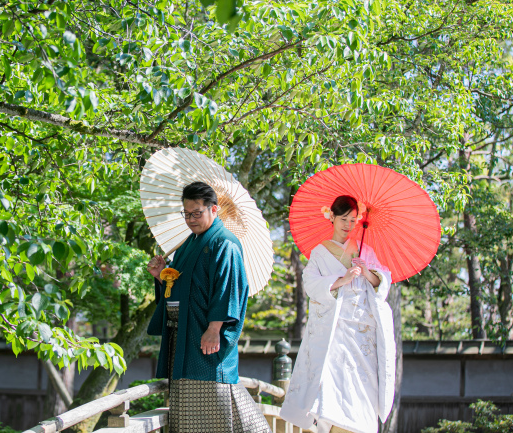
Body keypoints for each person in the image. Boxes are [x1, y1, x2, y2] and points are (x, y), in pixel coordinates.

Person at [146, 181, 270, 433]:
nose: (191, 219)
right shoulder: (188, 243)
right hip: (182, 336)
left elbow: (229, 288)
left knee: (216, 397)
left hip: (205, 335)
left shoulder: (225, 243)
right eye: (187, 213)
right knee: (186, 408)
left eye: (196, 213)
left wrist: (215, 328)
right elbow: (180, 288)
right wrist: (161, 277)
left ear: (214, 210)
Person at [280, 195, 396, 433]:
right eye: (343, 219)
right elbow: (310, 284)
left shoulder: (366, 251)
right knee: (332, 389)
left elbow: (383, 283)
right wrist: (342, 279)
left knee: (361, 391)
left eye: (353, 220)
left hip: (362, 333)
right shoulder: (319, 253)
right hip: (334, 332)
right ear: (331, 217)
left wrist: (367, 272)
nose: (348, 225)